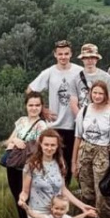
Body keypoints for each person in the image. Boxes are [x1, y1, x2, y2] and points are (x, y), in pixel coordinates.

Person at [71, 81, 110, 218]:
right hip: (85, 151)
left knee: (102, 193)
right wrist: (74, 162)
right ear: (90, 93)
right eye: (95, 93)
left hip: (103, 152)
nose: (97, 96)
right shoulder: (84, 111)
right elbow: (78, 137)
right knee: (87, 192)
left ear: (106, 95)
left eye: (101, 93)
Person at [27, 40, 82, 174]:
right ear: (55, 55)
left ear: (71, 54)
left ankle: (67, 191)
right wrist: (43, 110)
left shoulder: (79, 71)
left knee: (71, 160)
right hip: (55, 124)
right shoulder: (49, 72)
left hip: (74, 123)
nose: (63, 57)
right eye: (60, 54)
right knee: (55, 161)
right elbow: (30, 90)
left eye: (66, 54)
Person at [4, 92, 48, 218]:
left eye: (37, 105)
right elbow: (8, 142)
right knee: (18, 199)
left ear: (41, 107)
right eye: (31, 105)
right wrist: (15, 140)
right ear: (26, 106)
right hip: (14, 166)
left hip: (29, 168)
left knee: (30, 200)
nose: (34, 108)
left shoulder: (42, 126)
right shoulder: (21, 121)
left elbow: (44, 148)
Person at [71, 43, 110, 112]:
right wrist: (80, 119)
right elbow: (73, 104)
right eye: (86, 58)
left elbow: (109, 101)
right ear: (82, 59)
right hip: (82, 116)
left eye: (92, 57)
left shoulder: (106, 77)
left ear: (97, 59)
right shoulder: (75, 79)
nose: (90, 61)